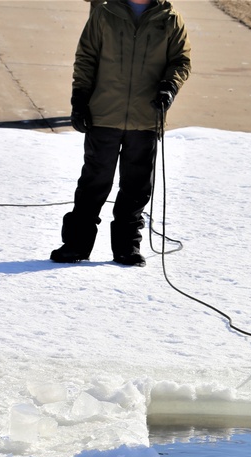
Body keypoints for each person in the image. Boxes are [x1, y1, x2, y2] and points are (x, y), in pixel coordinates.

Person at [51, 0, 191, 267]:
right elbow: (86, 56)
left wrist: (169, 86)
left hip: (146, 118)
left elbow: (180, 60)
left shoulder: (170, 19)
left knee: (137, 186)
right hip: (104, 114)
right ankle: (76, 245)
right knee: (94, 182)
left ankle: (127, 247)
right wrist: (79, 98)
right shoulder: (105, 12)